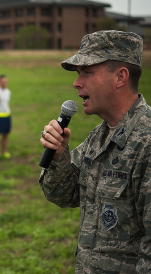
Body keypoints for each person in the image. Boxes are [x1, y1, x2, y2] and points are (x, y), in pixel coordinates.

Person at [39, 31, 148, 273]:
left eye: (87, 73)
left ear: (120, 77)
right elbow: (64, 195)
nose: (77, 83)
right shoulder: (99, 137)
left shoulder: (146, 143)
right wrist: (58, 157)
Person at [0, 75, 11, 160]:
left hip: (7, 115)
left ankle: (4, 152)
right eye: (2, 81)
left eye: (5, 81)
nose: (4, 83)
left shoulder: (8, 92)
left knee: (6, 134)